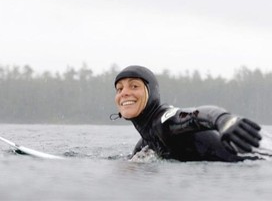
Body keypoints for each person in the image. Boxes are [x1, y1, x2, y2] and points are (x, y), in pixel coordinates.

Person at [111, 65, 264, 162]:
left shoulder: (164, 121)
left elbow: (197, 115)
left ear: (151, 93)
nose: (124, 93)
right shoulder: (146, 142)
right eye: (119, 89)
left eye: (134, 86)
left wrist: (224, 120)